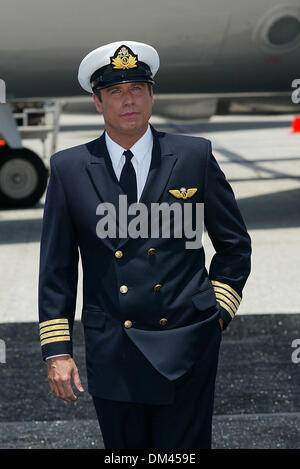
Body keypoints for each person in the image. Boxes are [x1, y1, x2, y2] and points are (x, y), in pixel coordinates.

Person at [38, 40, 251, 449]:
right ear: (98, 104)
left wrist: (215, 315)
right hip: (114, 347)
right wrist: (57, 351)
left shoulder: (193, 156)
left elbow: (234, 245)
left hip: (187, 341)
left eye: (137, 88)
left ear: (152, 96)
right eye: (115, 92)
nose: (128, 100)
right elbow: (56, 269)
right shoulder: (69, 169)